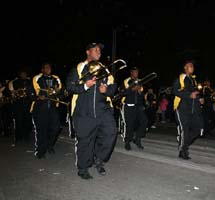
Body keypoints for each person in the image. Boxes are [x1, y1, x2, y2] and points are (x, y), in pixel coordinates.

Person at [66, 42, 117, 179]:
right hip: (84, 110)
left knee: (111, 133)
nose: (98, 52)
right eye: (95, 50)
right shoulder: (79, 67)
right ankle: (83, 168)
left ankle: (99, 159)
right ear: (88, 52)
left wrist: (107, 90)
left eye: (99, 50)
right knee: (85, 141)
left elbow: (113, 87)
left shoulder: (105, 69)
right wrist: (85, 86)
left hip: (103, 109)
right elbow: (70, 86)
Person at [172, 61, 204, 160]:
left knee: (198, 129)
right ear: (185, 67)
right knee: (185, 130)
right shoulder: (180, 78)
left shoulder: (193, 80)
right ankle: (183, 150)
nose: (192, 67)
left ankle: (183, 142)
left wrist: (199, 99)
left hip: (193, 109)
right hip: (182, 108)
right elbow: (175, 91)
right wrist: (189, 95)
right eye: (190, 66)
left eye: (193, 66)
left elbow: (195, 94)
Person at [30, 63, 62, 158]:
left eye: (50, 67)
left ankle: (49, 145)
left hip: (52, 108)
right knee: (41, 130)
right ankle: (40, 151)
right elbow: (30, 92)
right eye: (46, 68)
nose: (48, 69)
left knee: (56, 128)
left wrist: (58, 92)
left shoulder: (56, 78)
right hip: (40, 108)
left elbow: (61, 91)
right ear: (42, 69)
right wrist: (38, 97)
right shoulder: (37, 78)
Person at [120, 67, 148, 151]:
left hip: (138, 106)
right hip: (128, 105)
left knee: (144, 121)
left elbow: (141, 94)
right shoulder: (126, 81)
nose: (136, 73)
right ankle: (127, 142)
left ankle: (137, 138)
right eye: (135, 72)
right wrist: (132, 89)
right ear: (131, 73)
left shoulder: (140, 81)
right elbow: (122, 92)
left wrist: (140, 92)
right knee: (129, 124)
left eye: (137, 72)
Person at [8, 69, 32, 144]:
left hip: (27, 103)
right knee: (18, 121)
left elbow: (32, 91)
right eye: (22, 73)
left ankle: (26, 135)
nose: (23, 75)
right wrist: (14, 93)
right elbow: (11, 93)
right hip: (17, 104)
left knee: (27, 120)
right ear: (20, 74)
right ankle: (18, 137)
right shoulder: (14, 82)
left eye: (25, 73)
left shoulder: (29, 82)